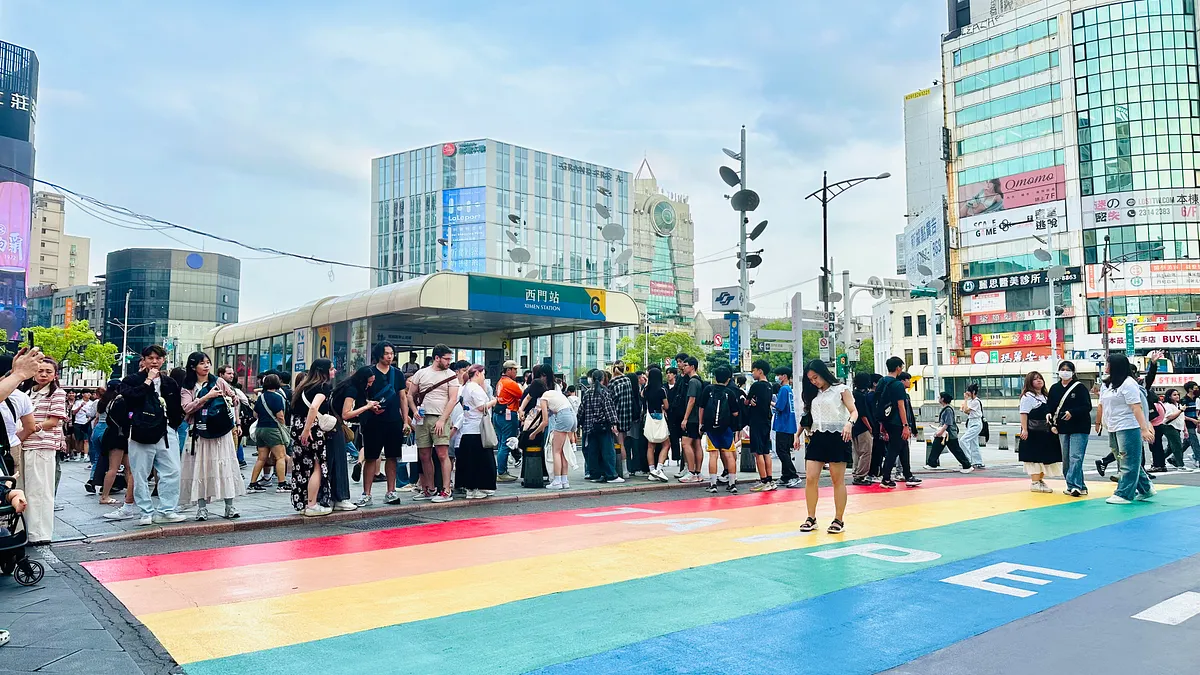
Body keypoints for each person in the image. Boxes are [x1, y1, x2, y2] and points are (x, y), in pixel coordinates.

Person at [118, 346, 187, 526]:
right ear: (144, 360)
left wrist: (173, 424)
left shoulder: (169, 382)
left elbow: (176, 406)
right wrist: (148, 381)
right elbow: (131, 397)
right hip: (140, 431)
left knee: (172, 470)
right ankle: (145, 511)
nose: (154, 361)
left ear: (163, 360)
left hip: (166, 431)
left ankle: (166, 510)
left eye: (158, 358)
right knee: (140, 473)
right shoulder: (132, 380)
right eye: (150, 358)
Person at [178, 351, 243, 521]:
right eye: (202, 363)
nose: (206, 366)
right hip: (200, 432)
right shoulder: (188, 387)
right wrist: (207, 397)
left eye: (207, 362)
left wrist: (232, 399)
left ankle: (229, 506)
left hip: (221, 431)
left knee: (224, 466)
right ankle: (201, 508)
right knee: (200, 469)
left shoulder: (219, 381)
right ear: (193, 366)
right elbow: (186, 408)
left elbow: (234, 398)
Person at [796, 359, 856, 534]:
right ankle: (811, 517)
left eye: (816, 377)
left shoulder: (841, 389)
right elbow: (807, 416)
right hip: (817, 436)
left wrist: (849, 424)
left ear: (823, 373)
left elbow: (854, 411)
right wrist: (797, 434)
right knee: (810, 478)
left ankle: (838, 519)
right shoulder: (813, 393)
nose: (814, 381)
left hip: (838, 436)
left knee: (837, 480)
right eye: (811, 379)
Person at [17, 357, 68, 543]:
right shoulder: (28, 392)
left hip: (42, 445)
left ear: (55, 375)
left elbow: (53, 421)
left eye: (48, 371)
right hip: (24, 444)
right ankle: (23, 530)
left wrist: (31, 428)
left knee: (39, 490)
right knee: (23, 489)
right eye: (40, 371)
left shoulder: (58, 393)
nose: (43, 374)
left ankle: (39, 534)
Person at [1095, 353, 1156, 504]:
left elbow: (1136, 407)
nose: (1106, 366)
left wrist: (1144, 429)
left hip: (1128, 426)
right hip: (1113, 426)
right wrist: (1099, 422)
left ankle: (1124, 494)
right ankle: (1146, 488)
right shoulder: (1107, 384)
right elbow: (1102, 404)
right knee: (1124, 459)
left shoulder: (1129, 383)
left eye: (1108, 364)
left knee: (1128, 461)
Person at [359, 342, 411, 506]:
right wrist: (369, 406)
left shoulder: (397, 374)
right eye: (386, 353)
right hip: (372, 421)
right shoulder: (368, 372)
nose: (390, 356)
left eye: (391, 353)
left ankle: (391, 491)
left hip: (394, 421)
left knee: (392, 457)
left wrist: (405, 421)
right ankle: (366, 494)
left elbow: (402, 397)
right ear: (379, 355)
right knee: (371, 457)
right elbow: (360, 396)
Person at [406, 344, 458, 503]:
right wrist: (414, 410)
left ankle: (446, 490)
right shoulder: (421, 373)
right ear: (437, 358)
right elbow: (410, 395)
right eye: (446, 359)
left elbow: (453, 399)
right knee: (424, 455)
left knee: (442, 454)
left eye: (450, 359)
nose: (449, 362)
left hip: (440, 416)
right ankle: (429, 488)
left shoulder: (451, 375)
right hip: (422, 417)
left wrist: (443, 419)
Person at [331, 367, 382, 509]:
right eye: (369, 382)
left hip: (334, 426)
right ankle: (340, 498)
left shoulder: (347, 385)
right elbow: (346, 414)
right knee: (339, 462)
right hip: (336, 427)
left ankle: (335, 497)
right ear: (362, 380)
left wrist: (369, 405)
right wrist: (367, 407)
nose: (370, 385)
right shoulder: (352, 390)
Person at [291, 359, 335, 516]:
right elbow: (314, 407)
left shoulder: (303, 386)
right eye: (331, 368)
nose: (334, 371)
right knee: (317, 465)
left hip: (297, 426)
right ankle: (312, 504)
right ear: (324, 371)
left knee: (302, 466)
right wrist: (307, 428)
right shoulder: (323, 387)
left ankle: (303, 503)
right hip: (311, 428)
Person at [1046, 360, 1092, 496]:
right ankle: (1077, 485)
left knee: (1075, 457)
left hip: (1080, 426)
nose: (1065, 372)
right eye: (1062, 369)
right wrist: (1048, 414)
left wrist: (1072, 412)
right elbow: (1050, 406)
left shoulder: (1080, 387)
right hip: (1062, 427)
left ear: (1073, 372)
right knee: (1066, 459)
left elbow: (1087, 406)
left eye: (1068, 370)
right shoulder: (1055, 388)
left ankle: (1075, 486)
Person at [453, 364, 499, 499]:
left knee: (472, 462)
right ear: (477, 373)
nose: (484, 377)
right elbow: (481, 407)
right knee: (480, 462)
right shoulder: (474, 388)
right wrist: (494, 402)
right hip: (477, 429)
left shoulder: (466, 387)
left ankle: (474, 488)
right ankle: (475, 488)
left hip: (468, 429)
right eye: (483, 374)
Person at [876, 357, 920, 489]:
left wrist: (882, 424)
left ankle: (908, 475)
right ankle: (886, 478)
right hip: (897, 421)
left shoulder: (882, 382)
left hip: (886, 420)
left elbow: (878, 403)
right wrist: (905, 425)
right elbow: (901, 406)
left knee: (903, 447)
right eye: (902, 367)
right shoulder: (898, 385)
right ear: (898, 368)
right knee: (894, 449)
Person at [698, 365, 741, 495]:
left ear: (715, 377)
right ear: (728, 379)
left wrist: (701, 424)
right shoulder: (730, 393)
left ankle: (713, 484)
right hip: (726, 428)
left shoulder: (708, 390)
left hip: (711, 428)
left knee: (713, 455)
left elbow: (702, 408)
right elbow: (735, 413)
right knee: (729, 455)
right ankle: (732, 484)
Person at [1017, 371, 1061, 493]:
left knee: (1045, 458)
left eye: (1040, 378)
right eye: (1035, 379)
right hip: (1033, 433)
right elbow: (1023, 414)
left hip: (1045, 432)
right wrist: (1024, 429)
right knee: (1034, 458)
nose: (1039, 380)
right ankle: (1035, 482)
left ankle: (1040, 480)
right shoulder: (1027, 397)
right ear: (1029, 382)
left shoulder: (1045, 396)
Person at [248, 373, 291, 494]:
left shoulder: (261, 397)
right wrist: (283, 426)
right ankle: (282, 484)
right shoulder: (277, 397)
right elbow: (280, 416)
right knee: (280, 456)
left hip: (260, 429)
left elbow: (255, 414)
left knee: (261, 458)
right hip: (273, 429)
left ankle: (252, 484)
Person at [535, 368, 575, 490]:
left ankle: (557, 481)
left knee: (556, 451)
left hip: (563, 417)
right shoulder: (554, 393)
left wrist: (534, 433)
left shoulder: (543, 398)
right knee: (563, 450)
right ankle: (564, 480)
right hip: (572, 416)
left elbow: (545, 421)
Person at [578, 368, 621, 483]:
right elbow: (609, 410)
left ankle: (595, 475)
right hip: (603, 427)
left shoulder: (587, 393)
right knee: (608, 451)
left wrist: (579, 423)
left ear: (592, 379)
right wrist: (614, 423)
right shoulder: (604, 392)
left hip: (590, 428)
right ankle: (611, 475)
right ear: (603, 379)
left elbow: (581, 410)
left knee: (593, 452)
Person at [745, 360, 775, 491]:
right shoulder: (769, 386)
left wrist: (750, 402)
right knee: (766, 451)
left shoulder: (756, 386)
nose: (753, 373)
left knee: (758, 452)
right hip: (766, 420)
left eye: (754, 371)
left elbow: (746, 401)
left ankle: (763, 481)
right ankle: (770, 479)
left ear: (760, 371)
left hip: (756, 421)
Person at [493, 360, 523, 482]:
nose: (516, 372)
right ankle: (502, 472)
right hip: (508, 414)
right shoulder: (510, 383)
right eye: (515, 369)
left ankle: (502, 470)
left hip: (498, 414)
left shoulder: (500, 382)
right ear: (508, 370)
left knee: (502, 442)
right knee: (507, 443)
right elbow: (522, 395)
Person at [926, 392, 972, 472]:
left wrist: (940, 432)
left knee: (956, 450)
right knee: (936, 447)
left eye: (939, 397)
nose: (938, 399)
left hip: (949, 434)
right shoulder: (946, 408)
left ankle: (967, 465)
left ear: (942, 399)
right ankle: (932, 463)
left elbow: (948, 423)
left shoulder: (948, 409)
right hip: (944, 434)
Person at [771, 367, 800, 489]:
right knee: (785, 451)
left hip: (783, 424)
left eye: (778, 375)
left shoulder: (783, 389)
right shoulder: (789, 389)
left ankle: (793, 475)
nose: (777, 377)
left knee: (781, 451)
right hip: (789, 424)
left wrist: (769, 402)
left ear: (784, 376)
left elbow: (780, 406)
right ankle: (785, 476)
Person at [677, 356, 704, 483]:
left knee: (685, 443)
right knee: (697, 444)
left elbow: (691, 400)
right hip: (698, 418)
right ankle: (698, 472)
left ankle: (691, 472)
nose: (683, 367)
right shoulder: (700, 381)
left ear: (692, 367)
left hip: (691, 417)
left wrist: (685, 418)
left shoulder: (692, 382)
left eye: (686, 365)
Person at [643, 368, 670, 482]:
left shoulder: (646, 389)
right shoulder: (661, 390)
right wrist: (663, 407)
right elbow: (666, 406)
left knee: (650, 445)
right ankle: (659, 469)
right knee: (666, 444)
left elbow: (643, 398)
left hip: (649, 417)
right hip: (659, 416)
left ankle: (652, 471)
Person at [850, 373, 875, 486]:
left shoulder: (853, 394)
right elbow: (863, 414)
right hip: (863, 427)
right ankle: (861, 475)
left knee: (856, 452)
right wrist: (870, 427)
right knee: (866, 452)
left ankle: (856, 472)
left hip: (854, 427)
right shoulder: (861, 396)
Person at [1161, 389, 1189, 471]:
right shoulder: (1167, 405)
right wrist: (1181, 410)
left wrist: (1185, 430)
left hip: (1177, 427)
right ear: (1169, 396)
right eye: (1174, 395)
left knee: (1171, 447)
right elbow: (1170, 416)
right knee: (1177, 445)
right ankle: (1180, 465)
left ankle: (1158, 459)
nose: (1177, 396)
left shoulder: (1179, 405)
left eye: (1177, 394)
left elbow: (1182, 418)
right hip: (1169, 426)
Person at [959, 383, 986, 470]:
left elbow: (966, 410)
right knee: (973, 443)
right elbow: (964, 410)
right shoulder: (971, 401)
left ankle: (967, 460)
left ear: (973, 392)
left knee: (963, 440)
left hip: (976, 422)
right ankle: (977, 462)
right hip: (971, 422)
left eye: (968, 391)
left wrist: (965, 400)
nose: (967, 393)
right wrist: (966, 402)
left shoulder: (976, 401)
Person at [71, 391, 96, 466]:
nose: (89, 394)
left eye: (89, 393)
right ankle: (78, 455)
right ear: (82, 394)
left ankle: (85, 456)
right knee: (78, 439)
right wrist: (80, 406)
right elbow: (73, 412)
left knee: (86, 440)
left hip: (87, 423)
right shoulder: (78, 402)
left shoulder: (92, 403)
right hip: (78, 422)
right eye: (87, 393)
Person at [1183, 381, 1200, 468]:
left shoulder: (1197, 399)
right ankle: (1198, 459)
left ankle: (1172, 458)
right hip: (1188, 424)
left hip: (1196, 422)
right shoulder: (1184, 400)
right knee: (1194, 441)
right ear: (1190, 389)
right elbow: (1181, 415)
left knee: (1187, 442)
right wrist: (1192, 420)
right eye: (1195, 388)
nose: (1197, 390)